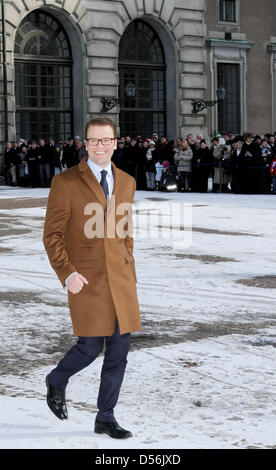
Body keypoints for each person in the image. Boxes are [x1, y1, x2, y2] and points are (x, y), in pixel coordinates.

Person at [43, 117, 141, 440]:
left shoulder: (127, 181)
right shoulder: (66, 182)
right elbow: (52, 235)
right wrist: (67, 272)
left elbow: (125, 231)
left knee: (119, 351)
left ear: (115, 143)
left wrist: (131, 269)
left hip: (121, 280)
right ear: (85, 144)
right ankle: (57, 379)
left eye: (106, 140)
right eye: (93, 141)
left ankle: (106, 416)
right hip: (85, 279)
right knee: (88, 347)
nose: (100, 146)